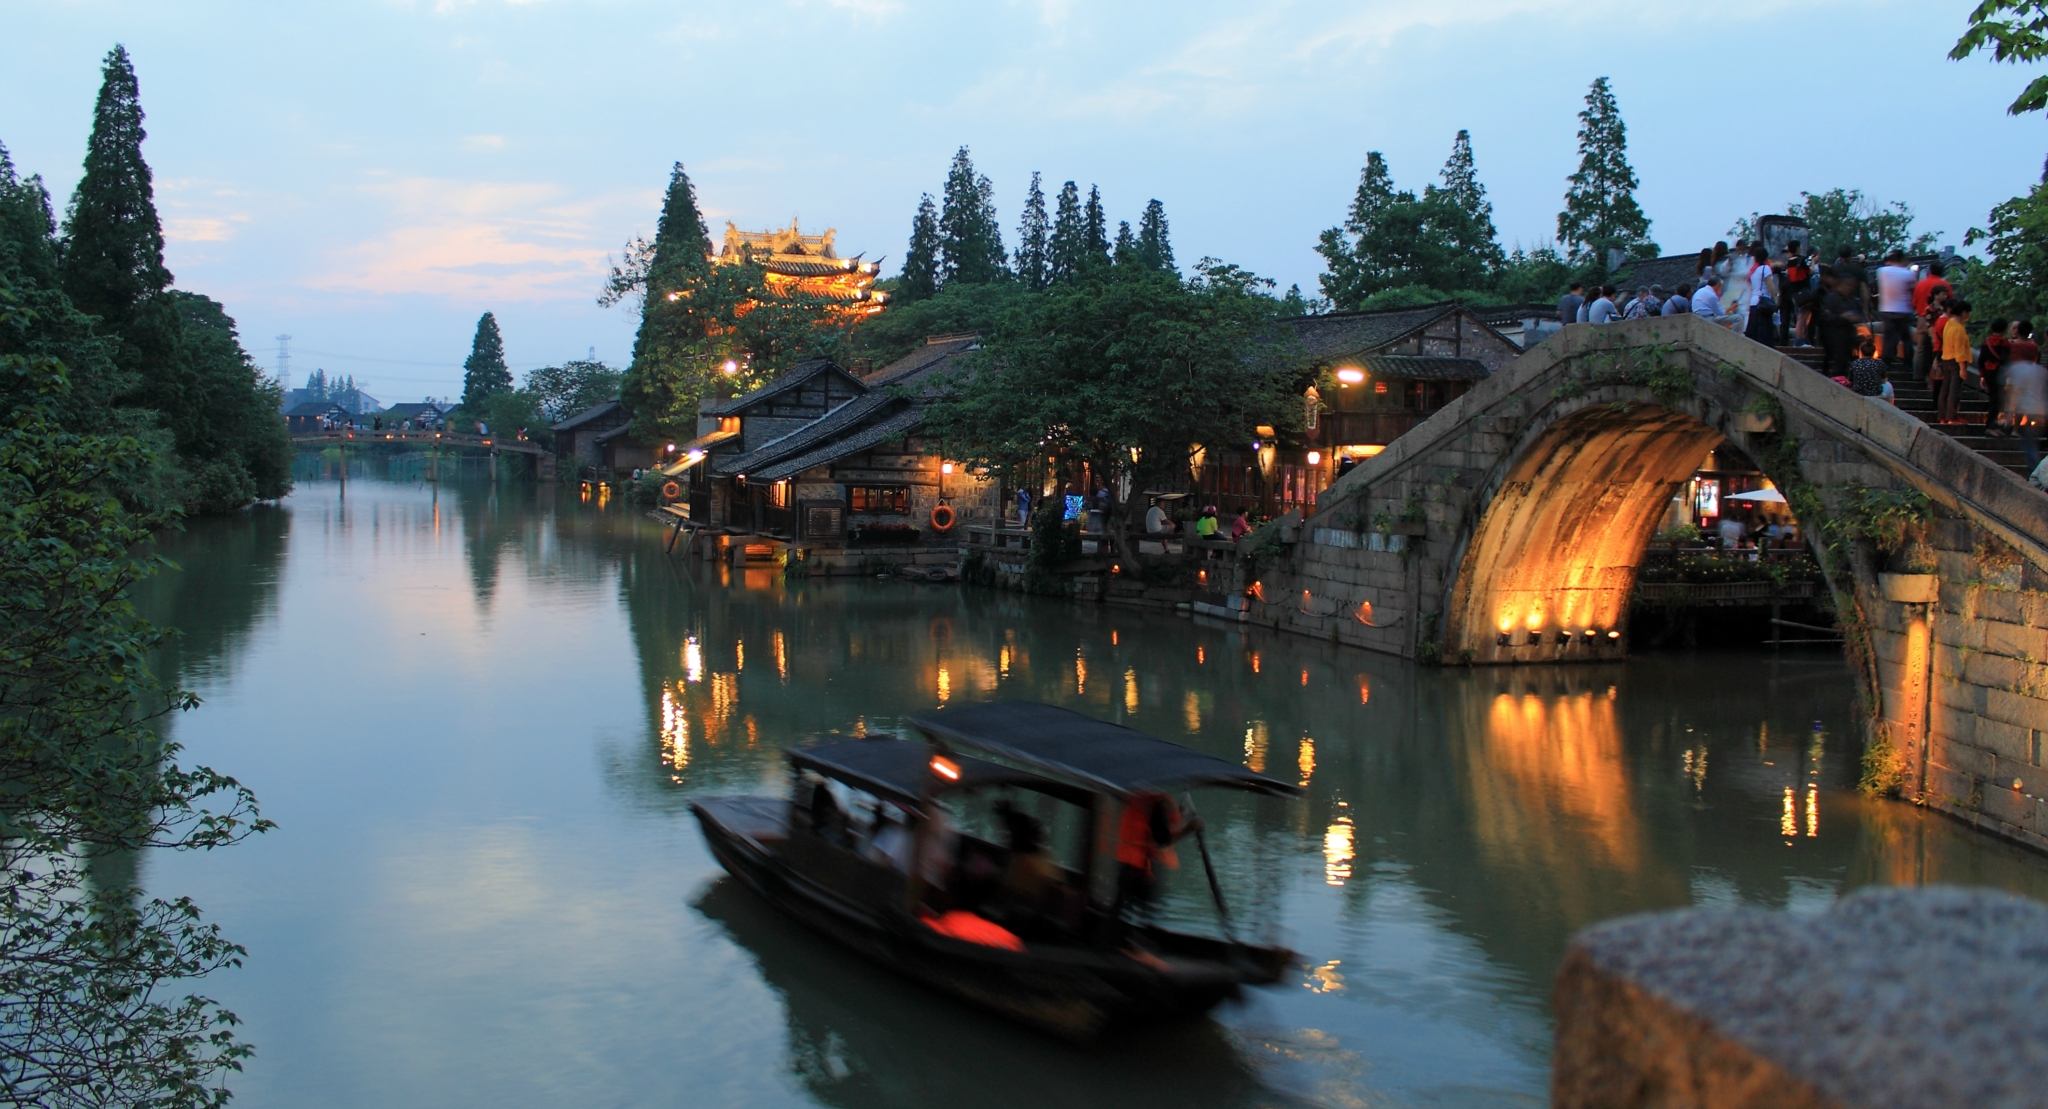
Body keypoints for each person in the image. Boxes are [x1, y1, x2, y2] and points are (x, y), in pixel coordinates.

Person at [2003, 341, 2046, 471]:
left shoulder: (2018, 369)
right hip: (2038, 409)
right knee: (2032, 441)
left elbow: (2015, 392)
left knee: (2029, 442)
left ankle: (2035, 470)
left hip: (2024, 407)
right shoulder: (2041, 370)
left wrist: (2009, 412)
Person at [1875, 249, 1918, 366]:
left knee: (1888, 338)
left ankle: (1885, 362)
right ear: (1902, 259)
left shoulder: (1882, 271)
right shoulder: (1908, 274)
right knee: (1906, 338)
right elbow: (1912, 289)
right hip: (1903, 310)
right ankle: (1908, 363)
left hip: (1887, 309)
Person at [1938, 300, 1974, 424]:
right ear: (1964, 313)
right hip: (1956, 361)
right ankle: (1952, 417)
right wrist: (1963, 368)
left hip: (1946, 358)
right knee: (1954, 390)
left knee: (1945, 389)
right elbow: (1959, 350)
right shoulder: (1959, 329)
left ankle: (1943, 416)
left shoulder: (1949, 323)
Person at [1743, 243, 1779, 346]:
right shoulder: (1765, 268)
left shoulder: (1753, 271)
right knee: (1764, 333)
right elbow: (1770, 285)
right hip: (1763, 302)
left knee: (1754, 332)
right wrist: (1775, 299)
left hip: (1754, 303)